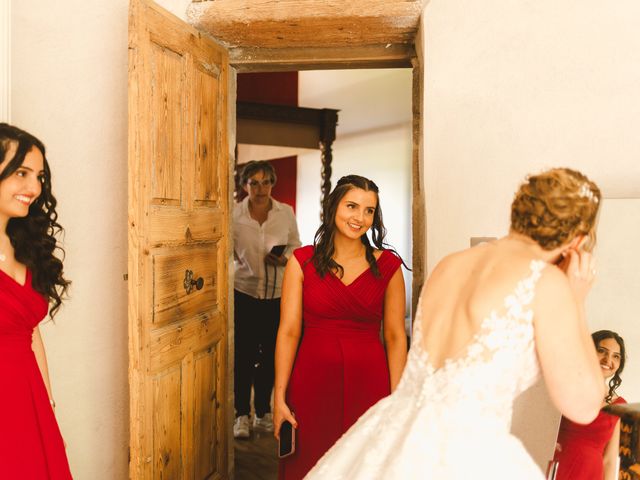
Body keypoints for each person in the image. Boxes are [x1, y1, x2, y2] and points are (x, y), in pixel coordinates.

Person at [304, 167, 605, 479]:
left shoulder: (450, 264)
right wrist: (576, 300)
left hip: (393, 435)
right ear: (577, 241)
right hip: (466, 452)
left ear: (518, 211)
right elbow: (582, 406)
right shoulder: (546, 282)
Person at [274, 174, 408, 480]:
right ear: (333, 206)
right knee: (309, 464)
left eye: (369, 210)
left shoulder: (388, 266)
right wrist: (279, 396)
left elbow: (395, 336)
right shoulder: (301, 262)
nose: (359, 218)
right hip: (311, 384)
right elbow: (289, 331)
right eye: (352, 206)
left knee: (367, 466)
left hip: (371, 384)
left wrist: (398, 397)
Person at [0, 123, 72, 478]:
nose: (35, 187)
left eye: (39, 176)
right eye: (21, 173)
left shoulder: (25, 247)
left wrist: (47, 403)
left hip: (28, 400)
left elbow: (29, 333)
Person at [233, 160, 301, 438]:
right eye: (254, 182)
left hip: (276, 295)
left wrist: (283, 256)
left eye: (266, 182)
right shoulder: (233, 215)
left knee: (272, 356)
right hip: (245, 293)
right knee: (244, 357)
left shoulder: (285, 213)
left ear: (273, 184)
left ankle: (262, 411)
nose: (260, 189)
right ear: (244, 184)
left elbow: (297, 244)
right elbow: (225, 251)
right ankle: (241, 415)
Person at [553, 330, 627, 480]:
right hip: (554, 468)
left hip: (591, 474)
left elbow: (610, 460)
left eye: (615, 356)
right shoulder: (563, 387)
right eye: (601, 351)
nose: (608, 360)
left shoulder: (619, 405)